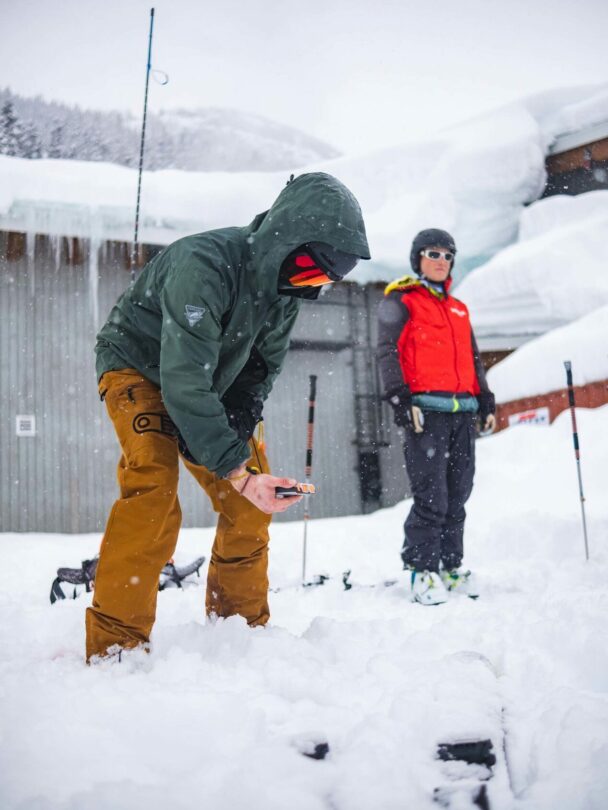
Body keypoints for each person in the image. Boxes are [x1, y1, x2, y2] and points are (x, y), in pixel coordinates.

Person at [88, 172, 370, 661]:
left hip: (200, 383)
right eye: (308, 269)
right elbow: (182, 380)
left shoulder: (284, 294)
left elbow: (259, 369)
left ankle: (239, 629)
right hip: (139, 368)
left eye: (322, 280)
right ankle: (117, 646)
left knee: (252, 503)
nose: (308, 284)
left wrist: (241, 435)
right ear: (286, 235)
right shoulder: (205, 264)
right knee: (154, 489)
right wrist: (234, 469)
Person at [377, 228, 495, 605]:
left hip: (463, 412)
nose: (441, 261)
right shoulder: (404, 301)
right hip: (426, 413)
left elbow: (474, 360)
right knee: (432, 494)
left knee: (459, 493)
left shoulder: (459, 309)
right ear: (418, 259)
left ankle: (450, 565)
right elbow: (386, 351)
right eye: (433, 253)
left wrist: (486, 400)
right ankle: (422, 569)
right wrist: (399, 398)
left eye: (447, 255)